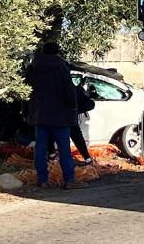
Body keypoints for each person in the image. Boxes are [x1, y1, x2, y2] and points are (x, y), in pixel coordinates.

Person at [26, 42, 88, 189]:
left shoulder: (33, 67)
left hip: (40, 114)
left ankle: (42, 180)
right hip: (60, 116)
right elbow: (69, 90)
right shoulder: (61, 67)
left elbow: (26, 88)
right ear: (57, 52)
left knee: (40, 148)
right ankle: (69, 180)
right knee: (64, 149)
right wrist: (73, 107)